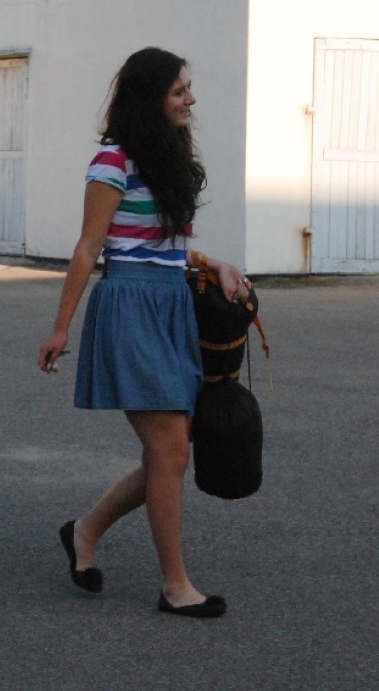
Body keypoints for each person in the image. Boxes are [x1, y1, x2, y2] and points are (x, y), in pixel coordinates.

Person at [37, 47, 251, 618]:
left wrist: (214, 264)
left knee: (172, 453)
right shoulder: (112, 161)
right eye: (179, 91)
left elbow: (166, 246)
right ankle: (176, 586)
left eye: (188, 89)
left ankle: (85, 530)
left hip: (172, 306)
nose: (191, 99)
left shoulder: (169, 158)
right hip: (130, 307)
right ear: (149, 98)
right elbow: (90, 246)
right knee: (170, 449)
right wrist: (61, 328)